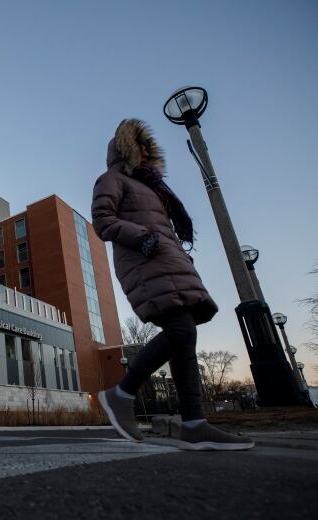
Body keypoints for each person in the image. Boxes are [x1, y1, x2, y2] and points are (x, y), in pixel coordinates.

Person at [92, 119, 253, 451]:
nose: (146, 152)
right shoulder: (112, 179)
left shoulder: (153, 190)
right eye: (141, 146)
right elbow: (103, 221)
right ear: (127, 149)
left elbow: (162, 228)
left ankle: (194, 425)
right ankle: (121, 394)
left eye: (149, 148)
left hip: (168, 261)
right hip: (145, 261)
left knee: (185, 338)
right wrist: (144, 238)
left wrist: (178, 253)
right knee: (180, 331)